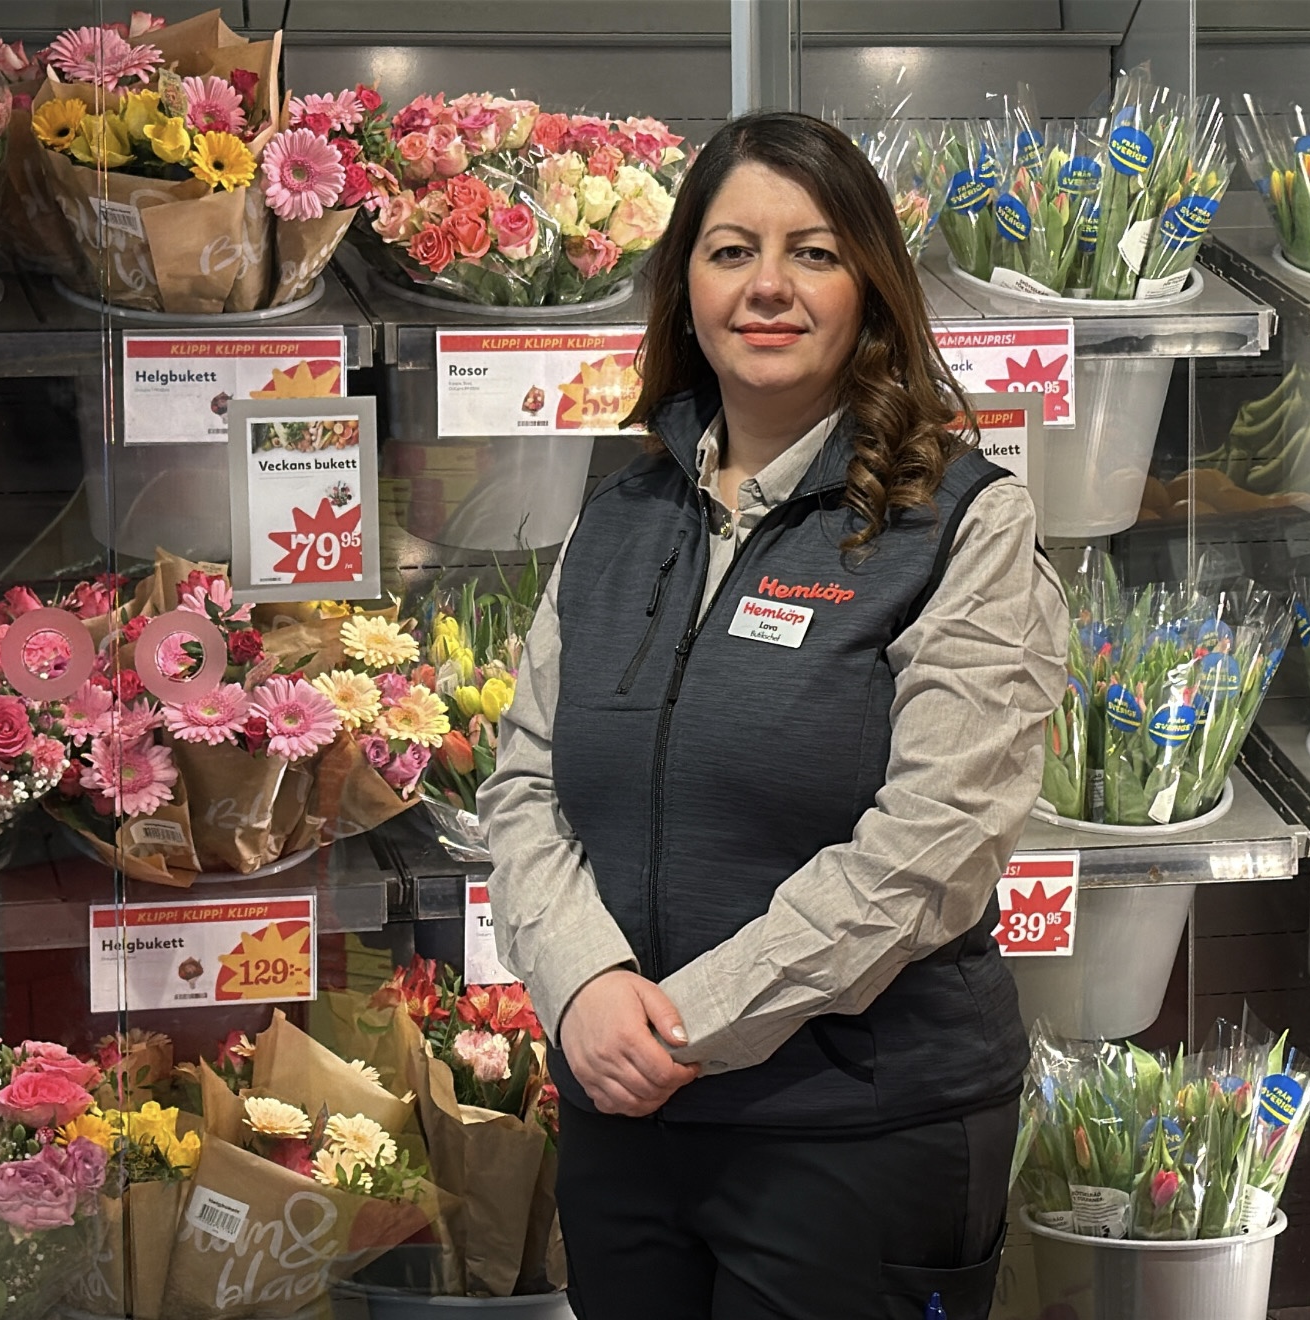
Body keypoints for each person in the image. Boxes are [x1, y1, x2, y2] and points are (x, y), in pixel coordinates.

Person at [480, 111, 1067, 1319]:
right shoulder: (620, 514)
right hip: (626, 1121)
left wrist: (688, 1022)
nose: (769, 287)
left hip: (857, 1128)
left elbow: (937, 845)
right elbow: (524, 780)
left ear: (870, 287)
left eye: (813, 252)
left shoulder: (961, 524)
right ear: (684, 281)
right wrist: (584, 986)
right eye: (731, 249)